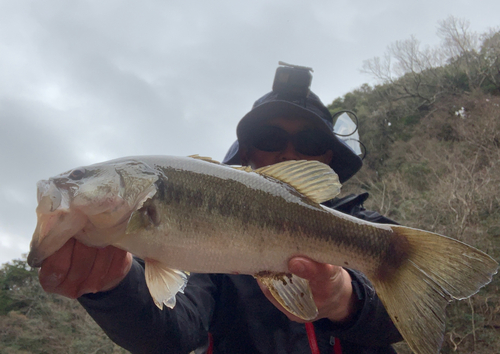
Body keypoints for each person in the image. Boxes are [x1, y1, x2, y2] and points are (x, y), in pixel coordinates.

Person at [38, 64, 403, 354]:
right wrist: (116, 288)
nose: (288, 152)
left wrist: (346, 299)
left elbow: (406, 321)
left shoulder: (371, 229)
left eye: (308, 141)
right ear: (247, 155)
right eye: (269, 139)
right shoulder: (201, 260)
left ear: (327, 157)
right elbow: (173, 333)